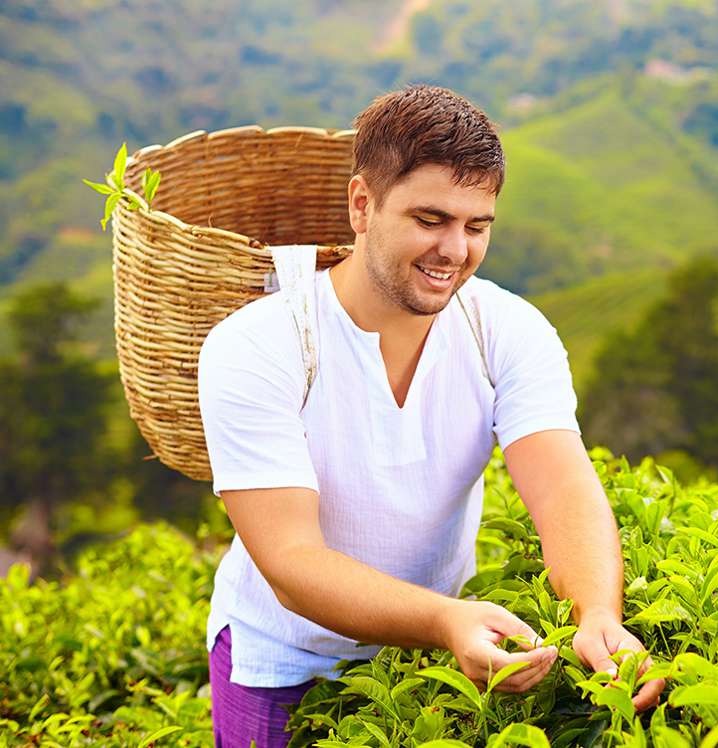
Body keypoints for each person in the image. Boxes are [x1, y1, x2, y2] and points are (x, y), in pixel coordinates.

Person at [197, 84, 664, 748]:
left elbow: (561, 481)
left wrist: (597, 612)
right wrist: (445, 620)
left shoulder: (506, 330)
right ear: (362, 204)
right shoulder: (259, 345)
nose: (455, 251)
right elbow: (291, 560)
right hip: (284, 661)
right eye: (430, 219)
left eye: (477, 227)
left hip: (432, 659)